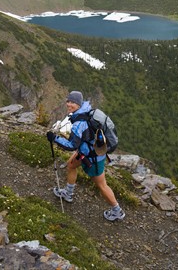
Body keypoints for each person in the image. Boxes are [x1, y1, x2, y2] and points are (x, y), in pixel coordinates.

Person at [46, 90, 125, 222]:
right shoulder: (86, 112)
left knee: (101, 185)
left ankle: (117, 211)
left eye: (73, 102)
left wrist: (54, 138)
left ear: (79, 104)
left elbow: (71, 145)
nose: (69, 104)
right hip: (86, 151)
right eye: (68, 101)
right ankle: (68, 193)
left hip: (93, 157)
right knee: (71, 165)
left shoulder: (79, 123)